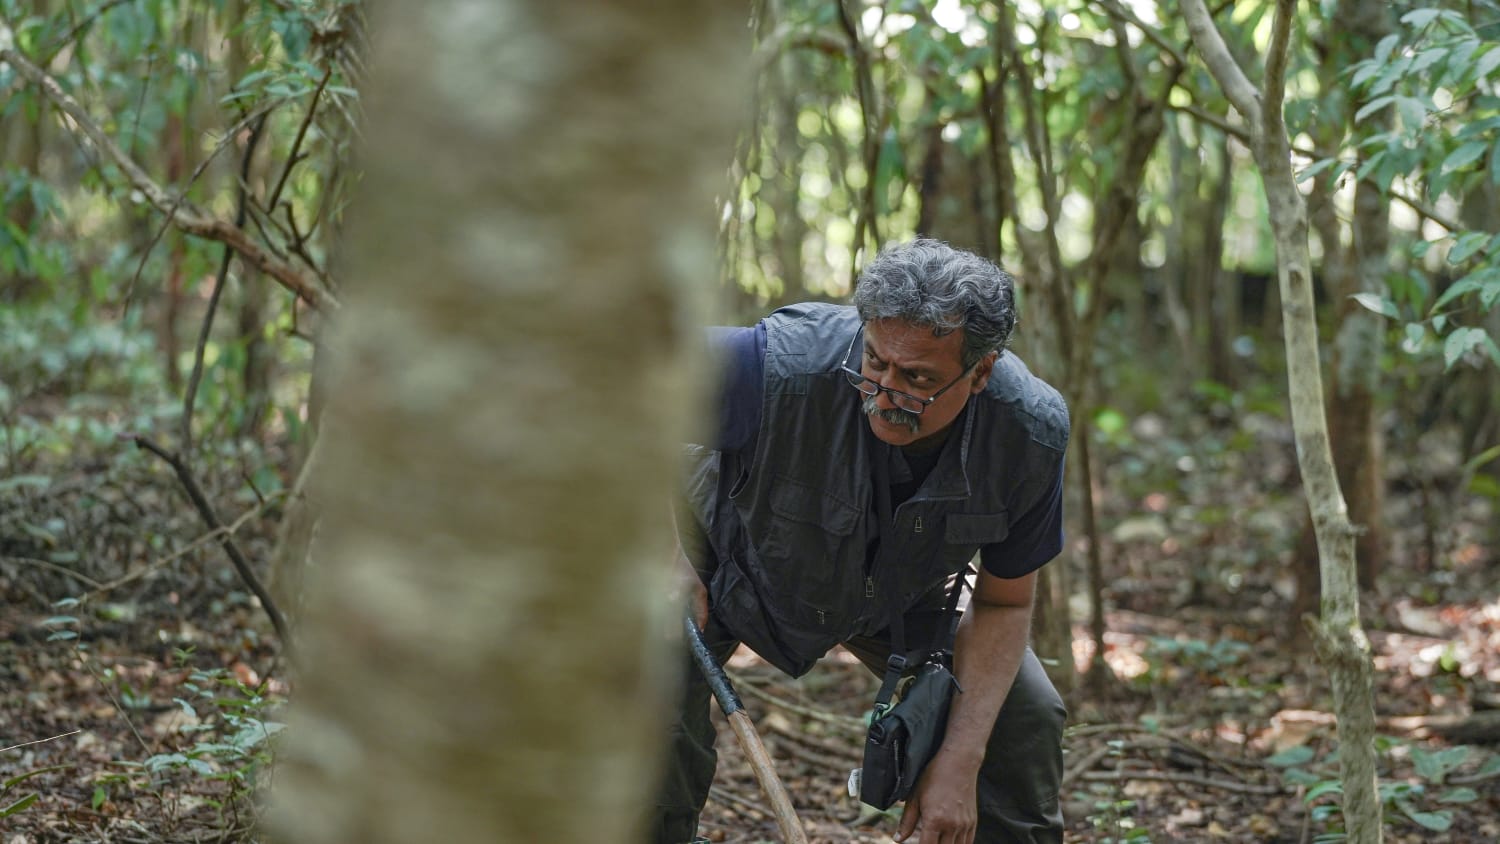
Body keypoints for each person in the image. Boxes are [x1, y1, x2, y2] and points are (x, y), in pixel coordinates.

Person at [656, 238, 1069, 844]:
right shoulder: (772, 365)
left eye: (918, 379)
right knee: (639, 679)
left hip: (899, 591)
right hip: (722, 550)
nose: (883, 393)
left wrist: (960, 759)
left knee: (1023, 712)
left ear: (981, 370)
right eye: (874, 362)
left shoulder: (1026, 433)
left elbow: (1005, 602)